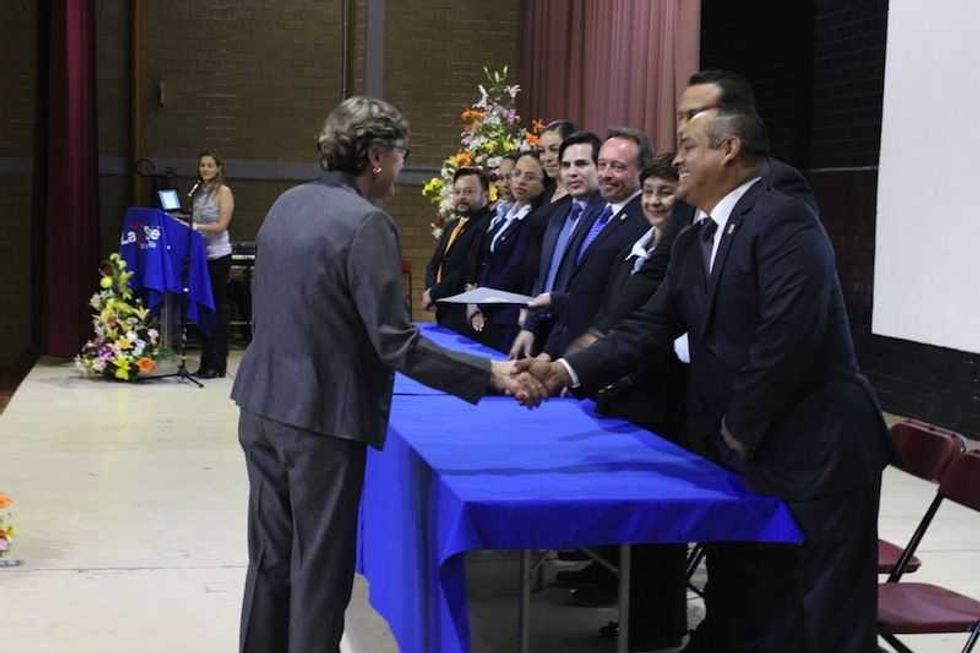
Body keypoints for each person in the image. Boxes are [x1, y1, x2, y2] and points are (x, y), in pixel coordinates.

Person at [517, 106, 892, 653]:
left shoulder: (782, 219)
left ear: (729, 150)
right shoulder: (696, 236)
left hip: (819, 450)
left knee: (821, 616)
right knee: (753, 602)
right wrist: (564, 371)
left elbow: (786, 341)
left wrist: (733, 434)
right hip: (752, 451)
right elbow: (647, 326)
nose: (678, 159)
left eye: (688, 146)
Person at [230, 96, 544, 653]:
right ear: (376, 156)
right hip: (321, 419)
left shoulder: (286, 203)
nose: (402, 169)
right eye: (401, 155)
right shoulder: (366, 223)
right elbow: (395, 342)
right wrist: (491, 375)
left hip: (260, 405)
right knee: (321, 572)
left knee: (271, 560)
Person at [468, 150, 547, 351]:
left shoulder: (534, 219)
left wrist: (480, 302)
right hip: (487, 309)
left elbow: (515, 269)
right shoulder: (506, 216)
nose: (520, 181)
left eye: (529, 177)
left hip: (508, 315)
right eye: (517, 174)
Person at [422, 167, 493, 333]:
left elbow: (467, 268)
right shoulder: (452, 225)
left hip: (463, 310)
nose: (462, 197)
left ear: (485, 194)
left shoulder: (486, 224)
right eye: (458, 192)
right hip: (443, 307)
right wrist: (430, 290)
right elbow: (434, 264)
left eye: (468, 192)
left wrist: (434, 293)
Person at [190, 149, 234, 378]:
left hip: (218, 256)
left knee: (216, 308)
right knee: (203, 309)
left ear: (218, 168)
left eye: (209, 165)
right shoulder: (198, 192)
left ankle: (217, 363)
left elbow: (221, 225)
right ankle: (205, 360)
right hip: (201, 257)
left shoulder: (223, 192)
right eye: (202, 165)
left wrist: (197, 227)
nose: (205, 169)